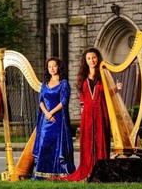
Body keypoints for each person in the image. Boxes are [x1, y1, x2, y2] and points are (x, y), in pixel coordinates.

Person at [55, 47, 111, 182]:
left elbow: (110, 94)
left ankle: (101, 171)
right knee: (87, 141)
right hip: (87, 114)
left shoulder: (104, 74)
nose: (92, 60)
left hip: (101, 112)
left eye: (94, 57)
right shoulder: (82, 77)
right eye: (89, 58)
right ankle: (87, 169)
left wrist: (116, 88)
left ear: (98, 58)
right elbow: (81, 94)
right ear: (85, 61)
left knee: (101, 140)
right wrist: (82, 105)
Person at [32, 57, 75, 180]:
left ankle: (59, 172)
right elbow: (41, 101)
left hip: (58, 119)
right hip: (45, 119)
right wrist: (46, 113)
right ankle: (41, 173)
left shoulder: (64, 83)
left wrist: (51, 113)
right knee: (44, 144)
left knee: (56, 145)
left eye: (54, 66)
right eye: (49, 66)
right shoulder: (45, 84)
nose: (52, 68)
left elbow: (64, 102)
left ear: (58, 67)